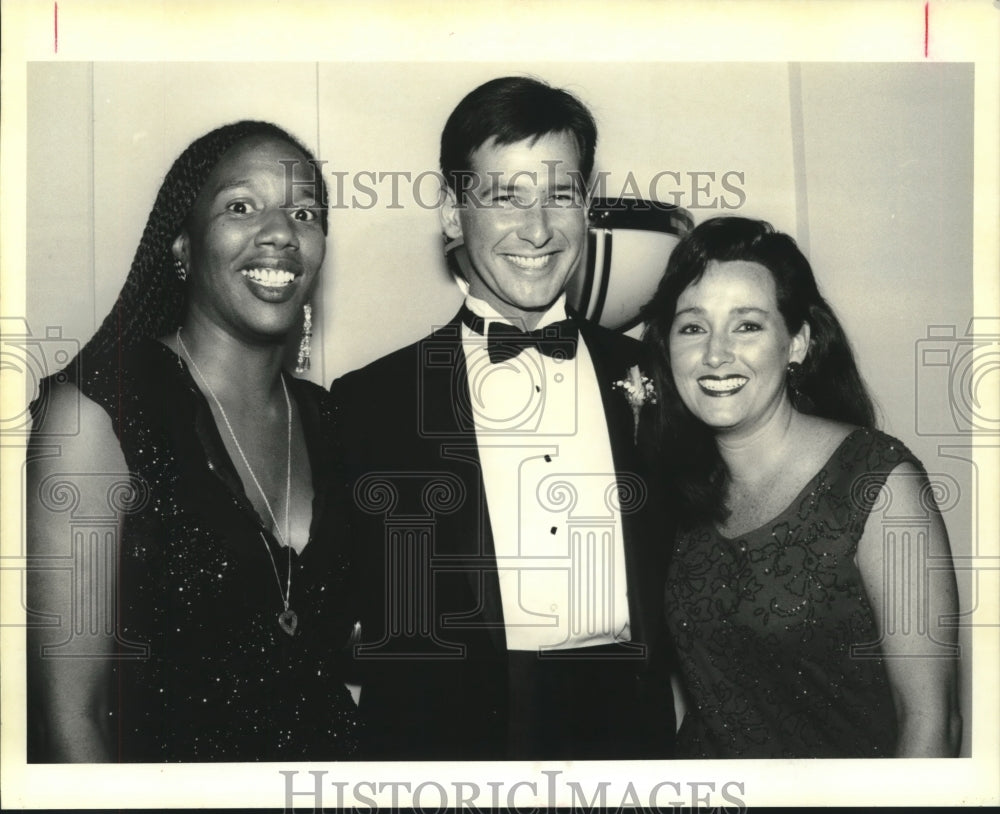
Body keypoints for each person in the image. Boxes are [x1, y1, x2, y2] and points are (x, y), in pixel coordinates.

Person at [333, 76, 675, 760]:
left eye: (560, 195)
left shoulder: (656, 379)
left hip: (630, 742)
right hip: (448, 754)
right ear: (455, 215)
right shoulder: (370, 402)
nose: (539, 230)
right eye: (505, 197)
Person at [26, 120, 361, 762]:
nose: (281, 233)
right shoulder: (96, 415)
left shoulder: (332, 422)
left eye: (304, 212)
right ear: (182, 245)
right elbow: (71, 720)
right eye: (240, 206)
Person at [641, 216, 962, 758]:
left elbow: (932, 723)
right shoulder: (672, 487)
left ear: (797, 344)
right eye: (693, 327)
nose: (716, 354)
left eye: (747, 326)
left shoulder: (879, 485)